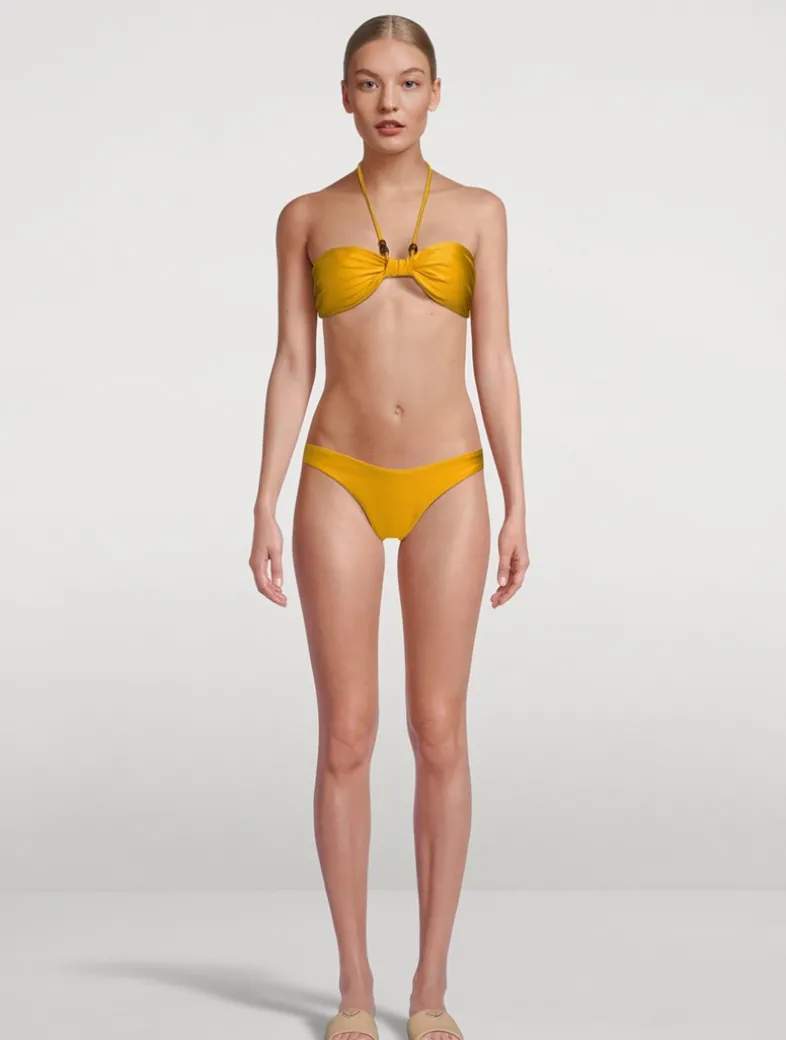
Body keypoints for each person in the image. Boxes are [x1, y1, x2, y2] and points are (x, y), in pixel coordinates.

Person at [249, 14, 529, 1040]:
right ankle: (355, 985)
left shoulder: (481, 212)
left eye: (409, 82)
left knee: (440, 731)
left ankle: (431, 986)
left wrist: (519, 499)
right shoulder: (306, 216)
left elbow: (495, 358)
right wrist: (264, 497)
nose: (390, 102)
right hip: (338, 476)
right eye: (369, 83)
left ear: (436, 94)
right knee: (347, 734)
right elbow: (293, 361)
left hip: (451, 478)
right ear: (344, 96)